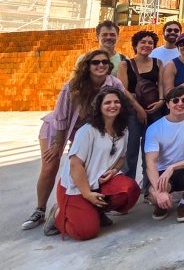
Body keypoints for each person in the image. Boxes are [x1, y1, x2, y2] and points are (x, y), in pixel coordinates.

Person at [22, 49, 126, 231]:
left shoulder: (114, 83)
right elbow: (61, 118)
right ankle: (40, 209)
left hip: (89, 130)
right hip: (59, 128)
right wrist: (57, 144)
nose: (100, 65)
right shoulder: (73, 86)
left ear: (110, 66)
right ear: (87, 66)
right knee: (50, 165)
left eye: (104, 62)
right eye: (95, 62)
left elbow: (123, 103)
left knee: (94, 166)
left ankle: (93, 206)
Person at [43, 87, 140, 239]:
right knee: (86, 232)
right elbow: (75, 164)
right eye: (107, 103)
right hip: (76, 186)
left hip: (99, 182)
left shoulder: (123, 130)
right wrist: (87, 194)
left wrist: (113, 171)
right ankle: (58, 214)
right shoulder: (87, 131)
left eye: (117, 102)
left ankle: (96, 210)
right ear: (99, 108)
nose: (113, 105)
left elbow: (121, 157)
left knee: (129, 189)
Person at [144, 87, 184, 223]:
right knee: (154, 194)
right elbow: (150, 163)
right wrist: (159, 192)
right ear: (167, 104)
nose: (180, 103)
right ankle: (160, 203)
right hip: (162, 173)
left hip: (183, 170)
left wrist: (172, 167)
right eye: (175, 100)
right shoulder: (154, 128)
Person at [116, 31, 165, 186]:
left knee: (150, 149)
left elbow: (161, 84)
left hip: (154, 106)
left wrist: (162, 100)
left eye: (150, 43)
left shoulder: (158, 63)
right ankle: (127, 188)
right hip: (132, 108)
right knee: (130, 149)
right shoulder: (125, 64)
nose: (147, 45)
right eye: (143, 42)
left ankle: (149, 187)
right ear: (135, 45)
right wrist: (138, 108)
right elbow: (122, 90)